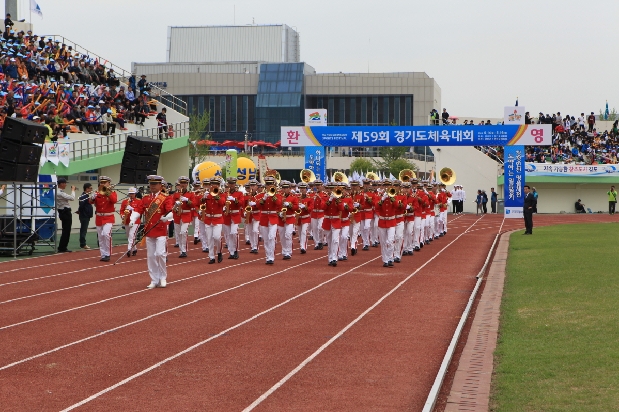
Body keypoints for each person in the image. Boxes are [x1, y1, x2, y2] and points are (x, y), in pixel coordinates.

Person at [129, 175, 175, 288]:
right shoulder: (145, 198)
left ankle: (163, 277)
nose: (153, 186)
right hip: (149, 230)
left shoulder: (166, 197)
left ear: (160, 185)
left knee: (160, 254)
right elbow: (138, 210)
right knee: (151, 256)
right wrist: (132, 219)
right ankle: (154, 279)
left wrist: (166, 217)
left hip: (160, 230)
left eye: (155, 184)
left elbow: (171, 210)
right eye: (151, 184)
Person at [89, 176, 117, 262]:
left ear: (109, 183)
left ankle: (108, 254)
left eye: (105, 183)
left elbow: (114, 200)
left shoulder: (112, 192)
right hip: (99, 217)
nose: (103, 184)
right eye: (101, 183)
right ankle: (103, 254)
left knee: (106, 234)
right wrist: (92, 197)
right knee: (100, 237)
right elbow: (90, 202)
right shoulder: (98, 193)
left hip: (108, 217)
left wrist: (107, 192)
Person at [200, 178, 226, 264]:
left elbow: (222, 203)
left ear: (219, 185)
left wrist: (216, 196)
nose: (214, 185)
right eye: (212, 184)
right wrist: (203, 198)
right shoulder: (207, 194)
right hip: (208, 219)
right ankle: (211, 256)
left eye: (216, 184)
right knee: (209, 238)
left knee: (217, 237)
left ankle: (219, 252)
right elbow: (201, 204)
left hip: (217, 219)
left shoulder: (222, 194)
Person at [171, 176, 196, 258]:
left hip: (186, 214)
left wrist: (187, 200)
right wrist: (175, 205)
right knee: (178, 234)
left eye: (185, 183)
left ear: (187, 184)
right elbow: (171, 206)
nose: (183, 185)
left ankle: (184, 250)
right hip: (177, 215)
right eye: (181, 183)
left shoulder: (190, 194)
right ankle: (181, 251)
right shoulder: (176, 194)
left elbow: (193, 204)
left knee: (183, 232)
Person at [222, 177, 244, 259]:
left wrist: (234, 199)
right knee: (228, 234)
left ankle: (235, 250)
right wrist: (223, 208)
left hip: (235, 215)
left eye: (232, 183)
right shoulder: (224, 194)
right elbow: (221, 203)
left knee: (234, 233)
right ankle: (231, 252)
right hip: (227, 215)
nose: (231, 185)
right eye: (230, 183)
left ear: (235, 184)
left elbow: (241, 203)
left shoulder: (239, 193)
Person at [120, 187, 142, 257]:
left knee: (131, 235)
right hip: (126, 220)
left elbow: (140, 210)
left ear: (135, 194)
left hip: (135, 221)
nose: (131, 195)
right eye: (130, 193)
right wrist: (123, 216)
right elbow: (121, 210)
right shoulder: (125, 202)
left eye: (132, 193)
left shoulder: (139, 201)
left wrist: (132, 209)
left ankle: (129, 249)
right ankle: (134, 248)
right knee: (129, 235)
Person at [56, 178, 76, 253]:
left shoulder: (59, 191)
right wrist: (73, 190)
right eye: (65, 183)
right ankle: (62, 247)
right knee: (66, 230)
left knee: (66, 230)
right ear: (61, 184)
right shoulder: (60, 192)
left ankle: (63, 246)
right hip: (65, 211)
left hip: (63, 211)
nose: (66, 185)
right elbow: (72, 198)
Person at [77, 183, 93, 249]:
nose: (91, 189)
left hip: (86, 215)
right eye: (90, 188)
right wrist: (80, 211)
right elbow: (81, 205)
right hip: (84, 215)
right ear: (87, 189)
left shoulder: (86, 196)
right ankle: (83, 244)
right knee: (83, 229)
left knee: (84, 229)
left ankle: (82, 243)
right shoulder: (84, 196)